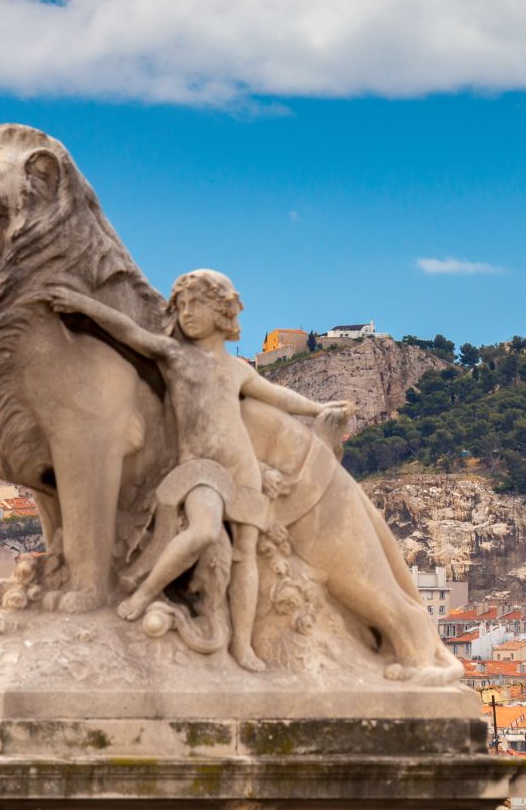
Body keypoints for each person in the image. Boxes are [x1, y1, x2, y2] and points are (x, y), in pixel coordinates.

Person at [45, 270, 349, 671]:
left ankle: (242, 644)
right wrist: (84, 305)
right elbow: (128, 332)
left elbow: (276, 395)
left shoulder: (236, 369)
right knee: (203, 530)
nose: (187, 313)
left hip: (242, 468)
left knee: (245, 555)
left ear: (222, 313)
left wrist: (317, 409)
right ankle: (142, 594)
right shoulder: (176, 356)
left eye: (197, 305)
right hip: (199, 468)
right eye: (182, 305)